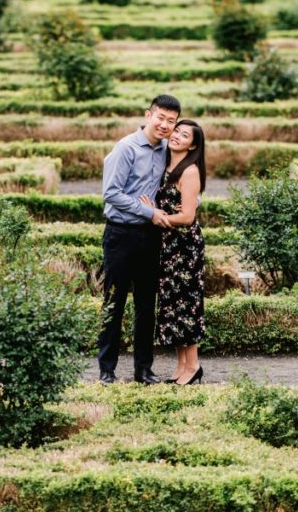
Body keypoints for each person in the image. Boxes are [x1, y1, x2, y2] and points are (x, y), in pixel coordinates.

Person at [97, 94, 182, 385]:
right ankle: (106, 369)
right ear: (148, 115)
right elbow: (111, 193)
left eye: (171, 121)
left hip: (150, 235)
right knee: (114, 302)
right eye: (161, 118)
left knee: (147, 305)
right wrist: (148, 211)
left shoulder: (165, 150)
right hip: (121, 234)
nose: (165, 125)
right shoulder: (126, 148)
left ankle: (143, 370)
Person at [140, 119, 207, 386]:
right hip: (168, 246)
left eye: (185, 135)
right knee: (173, 306)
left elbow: (188, 216)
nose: (177, 135)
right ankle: (182, 366)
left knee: (187, 305)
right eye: (177, 131)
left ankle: (193, 366)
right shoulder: (167, 164)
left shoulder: (189, 171)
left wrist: (157, 216)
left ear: (193, 145)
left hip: (185, 247)